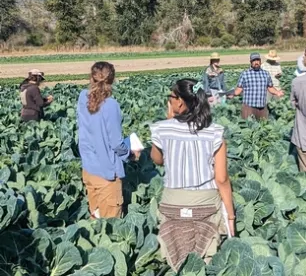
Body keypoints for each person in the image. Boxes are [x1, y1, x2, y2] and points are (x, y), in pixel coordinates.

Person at [150, 79, 234, 271]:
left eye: (171, 96)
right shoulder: (214, 132)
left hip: (172, 204)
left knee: (175, 260)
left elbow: (157, 159)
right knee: (206, 259)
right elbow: (221, 179)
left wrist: (169, 119)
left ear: (180, 102)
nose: (169, 100)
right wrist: (230, 216)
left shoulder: (162, 128)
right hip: (205, 205)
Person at [77, 62, 141, 219]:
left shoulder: (82, 97)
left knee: (96, 218)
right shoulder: (111, 106)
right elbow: (116, 144)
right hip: (107, 175)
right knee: (111, 226)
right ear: (112, 80)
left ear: (91, 77)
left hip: (89, 170)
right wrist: (132, 154)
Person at [231, 53, 284, 120]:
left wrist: (277, 92)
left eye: (257, 60)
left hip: (262, 108)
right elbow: (239, 89)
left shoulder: (265, 74)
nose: (256, 62)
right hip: (249, 107)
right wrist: (232, 93)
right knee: (248, 128)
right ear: (251, 62)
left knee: (263, 127)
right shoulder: (245, 74)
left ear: (260, 61)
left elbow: (270, 87)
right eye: (254, 60)